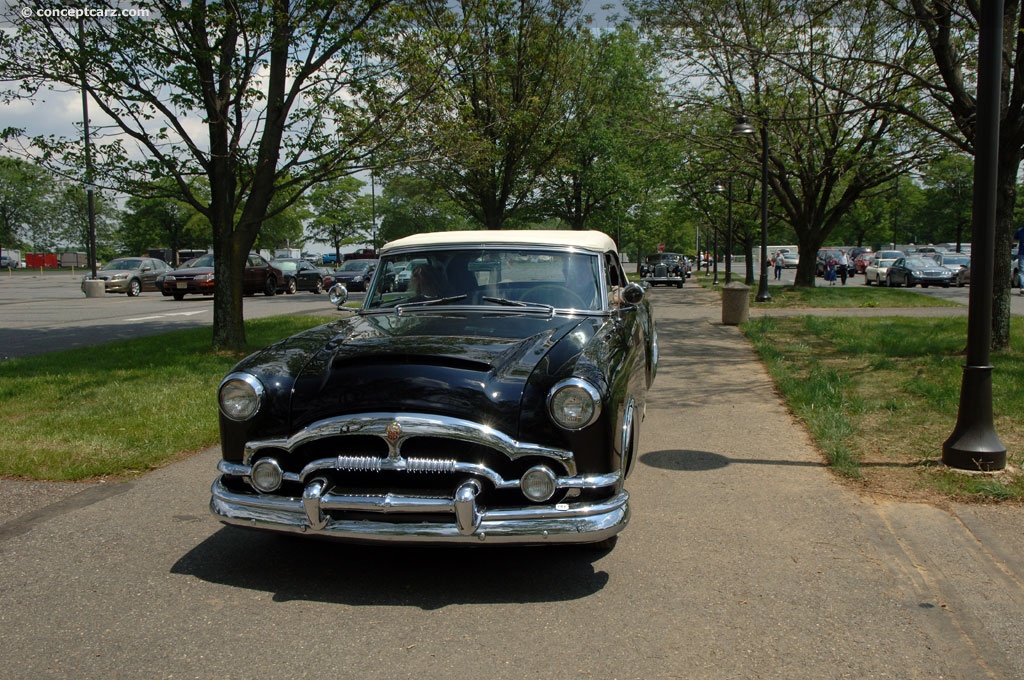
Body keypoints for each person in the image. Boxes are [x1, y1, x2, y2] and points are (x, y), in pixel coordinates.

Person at [1016, 225, 1024, 294]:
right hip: (1022, 253)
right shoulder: (1020, 230)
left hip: (1021, 253)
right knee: (1021, 270)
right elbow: (1014, 238)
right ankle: (1022, 288)